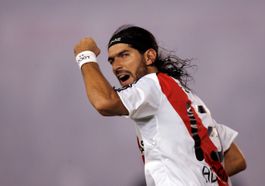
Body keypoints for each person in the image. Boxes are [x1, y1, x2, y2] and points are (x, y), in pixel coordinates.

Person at [73, 25, 246, 186]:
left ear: (149, 57)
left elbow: (105, 102)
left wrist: (85, 55)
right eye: (111, 61)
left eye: (124, 55)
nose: (116, 66)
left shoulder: (152, 85)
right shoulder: (187, 99)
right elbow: (235, 159)